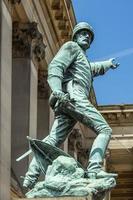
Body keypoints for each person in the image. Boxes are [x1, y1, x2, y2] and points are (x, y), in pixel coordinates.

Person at [23, 22, 119, 189]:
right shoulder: (71, 47)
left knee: (53, 139)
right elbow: (55, 66)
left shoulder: (82, 58)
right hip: (73, 95)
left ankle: (31, 177)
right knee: (105, 130)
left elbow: (91, 68)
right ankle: (94, 169)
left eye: (89, 35)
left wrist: (107, 64)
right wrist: (57, 89)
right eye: (83, 33)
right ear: (75, 36)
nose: (87, 36)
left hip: (69, 100)